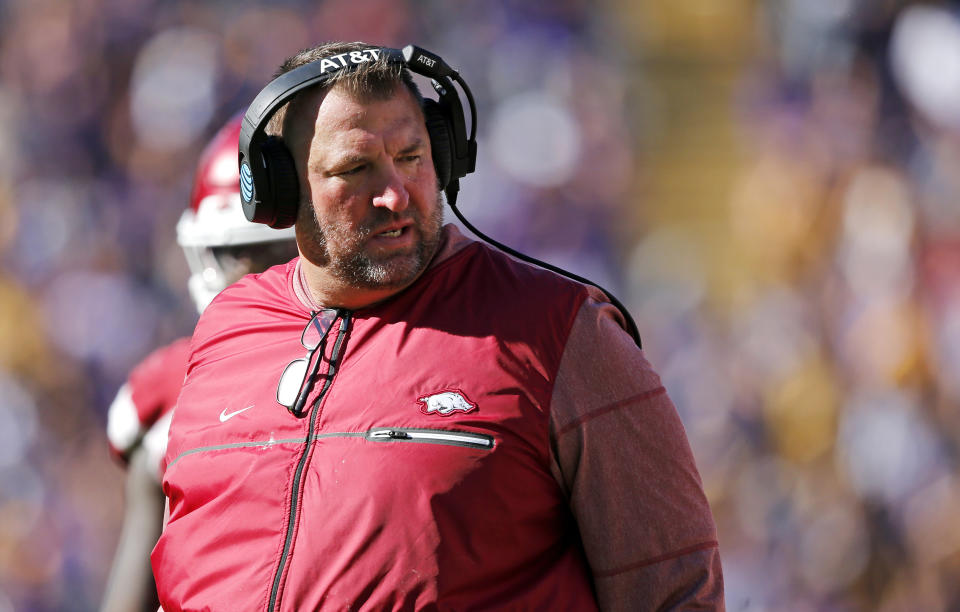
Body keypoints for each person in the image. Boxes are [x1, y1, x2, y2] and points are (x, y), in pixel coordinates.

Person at [153, 41, 724, 611]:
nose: (394, 194)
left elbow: (676, 593)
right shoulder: (226, 329)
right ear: (279, 188)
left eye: (412, 157)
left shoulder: (559, 329)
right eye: (355, 168)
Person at [100, 114, 297, 612]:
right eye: (243, 255)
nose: (267, 280)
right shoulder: (174, 390)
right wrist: (150, 489)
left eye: (285, 253)